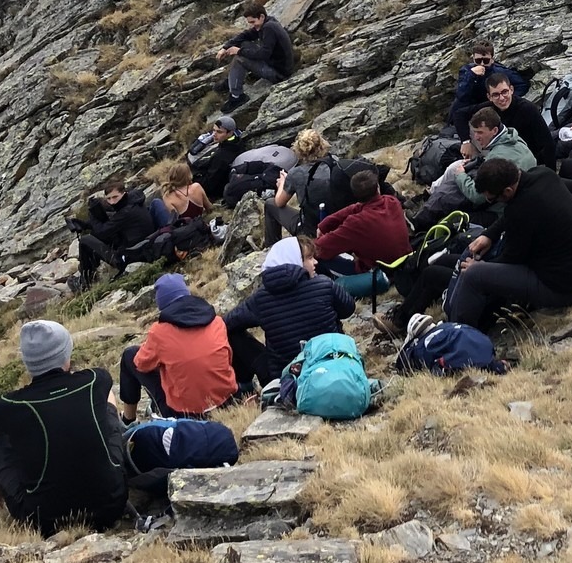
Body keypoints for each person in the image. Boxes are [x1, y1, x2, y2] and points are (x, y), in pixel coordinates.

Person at [384, 158, 572, 334]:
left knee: (472, 274)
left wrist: (479, 267)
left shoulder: (522, 211)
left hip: (559, 287)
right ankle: (402, 319)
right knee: (445, 264)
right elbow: (510, 221)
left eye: (494, 199)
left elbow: (513, 259)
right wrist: (489, 235)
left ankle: (461, 333)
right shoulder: (543, 175)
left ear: (509, 190)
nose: (494, 203)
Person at [0, 321, 127, 535]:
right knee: (107, 397)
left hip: (43, 521)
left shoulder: (15, 404)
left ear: (27, 361)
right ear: (66, 353)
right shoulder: (96, 380)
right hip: (111, 505)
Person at [224, 237, 354, 388]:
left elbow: (227, 323)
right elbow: (348, 309)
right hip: (331, 367)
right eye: (309, 258)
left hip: (282, 380)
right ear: (296, 261)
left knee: (234, 334)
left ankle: (245, 387)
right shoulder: (324, 284)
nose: (316, 262)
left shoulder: (261, 298)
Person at [119, 274, 241, 421]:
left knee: (129, 356)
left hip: (184, 414)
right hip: (227, 402)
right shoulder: (217, 321)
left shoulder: (159, 332)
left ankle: (128, 420)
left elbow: (141, 364)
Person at [416, 105, 539, 226]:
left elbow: (477, 195)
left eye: (480, 132)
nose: (476, 137)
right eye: (474, 132)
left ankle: (420, 221)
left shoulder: (497, 157)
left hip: (502, 212)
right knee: (457, 166)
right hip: (523, 203)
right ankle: (429, 198)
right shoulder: (517, 142)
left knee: (452, 215)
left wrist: (460, 175)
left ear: (494, 130)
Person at [314, 168, 411, 296]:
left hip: (377, 273)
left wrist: (321, 232)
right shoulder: (391, 201)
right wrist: (325, 224)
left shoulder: (355, 223)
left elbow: (320, 249)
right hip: (404, 264)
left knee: (314, 256)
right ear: (377, 188)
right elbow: (357, 207)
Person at [69, 177, 158, 291]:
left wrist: (93, 217)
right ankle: (90, 272)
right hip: (142, 247)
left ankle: (84, 282)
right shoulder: (134, 201)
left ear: (123, 193)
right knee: (98, 235)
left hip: (131, 256)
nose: (112, 202)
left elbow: (102, 232)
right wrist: (86, 224)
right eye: (109, 199)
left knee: (86, 240)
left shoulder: (126, 212)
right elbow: (113, 223)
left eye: (115, 197)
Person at [261, 129, 341, 244]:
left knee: (270, 204)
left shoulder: (296, 173)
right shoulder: (335, 162)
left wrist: (283, 183)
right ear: (322, 145)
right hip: (338, 224)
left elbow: (279, 202)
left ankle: (273, 248)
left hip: (310, 231)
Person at [219, 0, 296, 106]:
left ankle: (237, 97)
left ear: (261, 17)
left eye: (253, 22)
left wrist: (239, 51)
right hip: (275, 64)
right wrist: (225, 47)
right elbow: (245, 35)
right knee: (243, 43)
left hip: (279, 73)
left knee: (240, 58)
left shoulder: (269, 28)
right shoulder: (267, 23)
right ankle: (233, 79)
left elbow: (264, 54)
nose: (252, 25)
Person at [446, 42, 529, 135]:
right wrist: (471, 75)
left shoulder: (500, 71)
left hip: (489, 108)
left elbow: (522, 84)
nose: (482, 64)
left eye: (485, 61)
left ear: (492, 59)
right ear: (473, 59)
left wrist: (507, 98)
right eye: (478, 60)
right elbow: (461, 94)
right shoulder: (466, 71)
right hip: (466, 110)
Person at [485, 71, 555, 167]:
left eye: (505, 92)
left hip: (530, 160)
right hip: (506, 158)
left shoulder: (528, 109)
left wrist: (551, 174)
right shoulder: (490, 110)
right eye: (496, 95)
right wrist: (466, 141)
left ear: (511, 90)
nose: (501, 98)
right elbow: (461, 113)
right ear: (489, 97)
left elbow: (547, 144)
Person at [186, 114, 244, 202]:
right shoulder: (235, 142)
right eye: (214, 130)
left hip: (215, 190)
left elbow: (210, 185)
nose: (214, 134)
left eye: (219, 132)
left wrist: (192, 178)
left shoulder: (223, 156)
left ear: (230, 133)